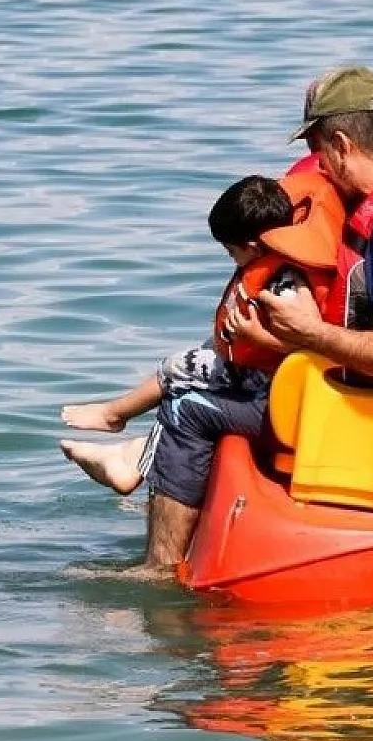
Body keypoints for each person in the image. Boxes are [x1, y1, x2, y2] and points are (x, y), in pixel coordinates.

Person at [81, 66, 373, 574]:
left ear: (343, 144)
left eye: (319, 151)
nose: (316, 165)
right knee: (222, 362)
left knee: (189, 405)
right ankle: (142, 454)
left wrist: (308, 336)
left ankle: (158, 568)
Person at [60, 170, 343, 497]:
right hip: (264, 371)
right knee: (202, 357)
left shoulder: (285, 281)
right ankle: (134, 452)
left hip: (271, 382)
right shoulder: (274, 265)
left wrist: (258, 338)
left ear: (253, 246)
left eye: (231, 252)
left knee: (176, 369)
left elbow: (310, 338)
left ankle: (114, 417)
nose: (231, 259)